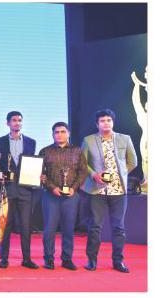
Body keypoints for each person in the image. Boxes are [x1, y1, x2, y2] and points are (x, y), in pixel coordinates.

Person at [81, 109, 137, 273]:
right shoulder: (89, 140)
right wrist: (94, 175)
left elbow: (132, 162)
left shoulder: (125, 139)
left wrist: (121, 174)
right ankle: (92, 260)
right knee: (95, 226)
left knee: (118, 227)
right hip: (97, 191)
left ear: (113, 122)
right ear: (97, 124)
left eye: (109, 120)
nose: (106, 123)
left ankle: (118, 261)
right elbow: (82, 163)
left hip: (118, 191)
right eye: (102, 121)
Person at [0, 111, 38, 269]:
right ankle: (4, 258)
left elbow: (32, 164)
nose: (17, 123)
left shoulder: (31, 142)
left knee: (26, 225)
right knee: (6, 225)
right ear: (8, 123)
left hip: (26, 189)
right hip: (7, 188)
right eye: (14, 120)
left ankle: (27, 259)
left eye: (19, 120)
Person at [39, 122, 88, 270]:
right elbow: (41, 175)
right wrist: (52, 187)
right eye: (56, 132)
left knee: (68, 229)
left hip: (71, 196)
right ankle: (49, 259)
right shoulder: (45, 151)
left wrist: (74, 188)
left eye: (62, 132)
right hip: (50, 196)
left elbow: (83, 172)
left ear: (68, 133)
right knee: (49, 230)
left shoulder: (77, 151)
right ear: (52, 134)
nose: (59, 135)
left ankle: (67, 259)